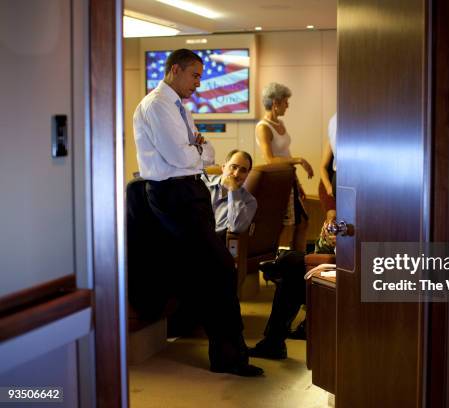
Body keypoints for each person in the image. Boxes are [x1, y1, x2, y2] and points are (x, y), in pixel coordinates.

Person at [132, 48, 262, 377]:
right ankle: (230, 358)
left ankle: (230, 354)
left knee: (213, 270)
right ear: (175, 70)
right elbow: (181, 157)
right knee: (218, 268)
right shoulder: (158, 105)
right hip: (173, 193)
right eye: (195, 75)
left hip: (189, 191)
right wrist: (197, 148)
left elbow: (210, 151)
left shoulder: (178, 107)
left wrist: (198, 148)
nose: (199, 84)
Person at [248, 221, 336, 359]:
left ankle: (278, 266)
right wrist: (328, 238)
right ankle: (273, 343)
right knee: (292, 268)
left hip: (356, 274)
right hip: (335, 266)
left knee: (291, 268)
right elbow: (319, 252)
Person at [256, 82, 314, 252]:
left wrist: (297, 182)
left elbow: (285, 154)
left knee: (303, 222)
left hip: (289, 178)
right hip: (276, 181)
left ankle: (296, 262)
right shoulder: (263, 127)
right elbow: (270, 159)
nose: (288, 105)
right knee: (281, 227)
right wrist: (300, 160)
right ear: (275, 103)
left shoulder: (280, 124)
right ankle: (274, 263)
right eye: (285, 102)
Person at [203, 149, 257, 236]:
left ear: (247, 174)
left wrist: (233, 190)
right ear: (223, 167)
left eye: (243, 170)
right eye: (233, 167)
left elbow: (237, 227)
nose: (236, 174)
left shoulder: (249, 201)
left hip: (215, 244)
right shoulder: (202, 182)